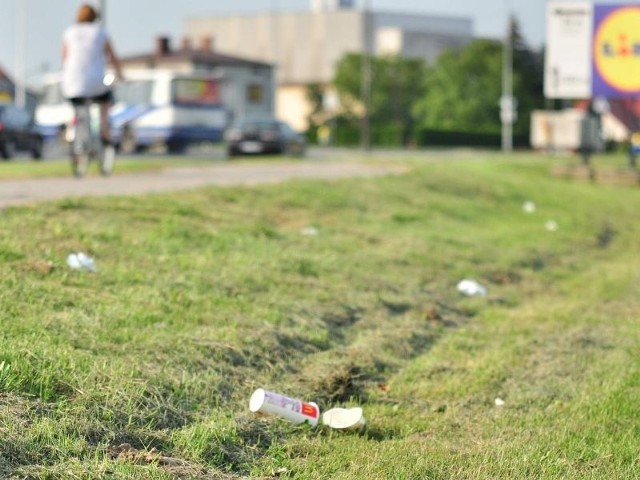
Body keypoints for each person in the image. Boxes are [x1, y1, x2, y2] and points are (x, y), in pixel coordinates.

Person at [61, 4, 123, 144]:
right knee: (106, 100)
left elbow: (64, 57)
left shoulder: (69, 32)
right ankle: (104, 129)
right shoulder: (100, 32)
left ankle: (72, 128)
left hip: (72, 82)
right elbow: (112, 57)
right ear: (95, 17)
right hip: (95, 82)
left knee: (76, 105)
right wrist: (120, 74)